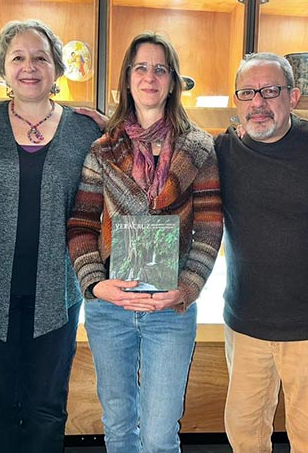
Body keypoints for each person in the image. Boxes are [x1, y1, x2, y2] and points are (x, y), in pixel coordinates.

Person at [67, 32, 223, 453]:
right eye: (141, 67)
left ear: (173, 81)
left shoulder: (199, 148)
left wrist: (185, 290)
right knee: (118, 428)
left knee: (158, 435)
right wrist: (96, 285)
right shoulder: (103, 149)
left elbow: (209, 227)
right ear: (127, 78)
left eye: (160, 68)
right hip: (109, 309)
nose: (150, 77)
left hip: (169, 310)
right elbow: (81, 223)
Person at [0, 19, 100, 453]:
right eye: (17, 57)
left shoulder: (85, 129)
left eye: (40, 57)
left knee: (46, 408)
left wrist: (114, 122)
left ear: (57, 68)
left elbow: (133, 160)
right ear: (3, 69)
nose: (29, 66)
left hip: (57, 292)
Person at [214, 52, 308, 453]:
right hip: (245, 323)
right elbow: (166, 148)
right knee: (244, 436)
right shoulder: (222, 152)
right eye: (247, 92)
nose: (258, 102)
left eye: (270, 91)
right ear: (238, 100)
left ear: (293, 97)